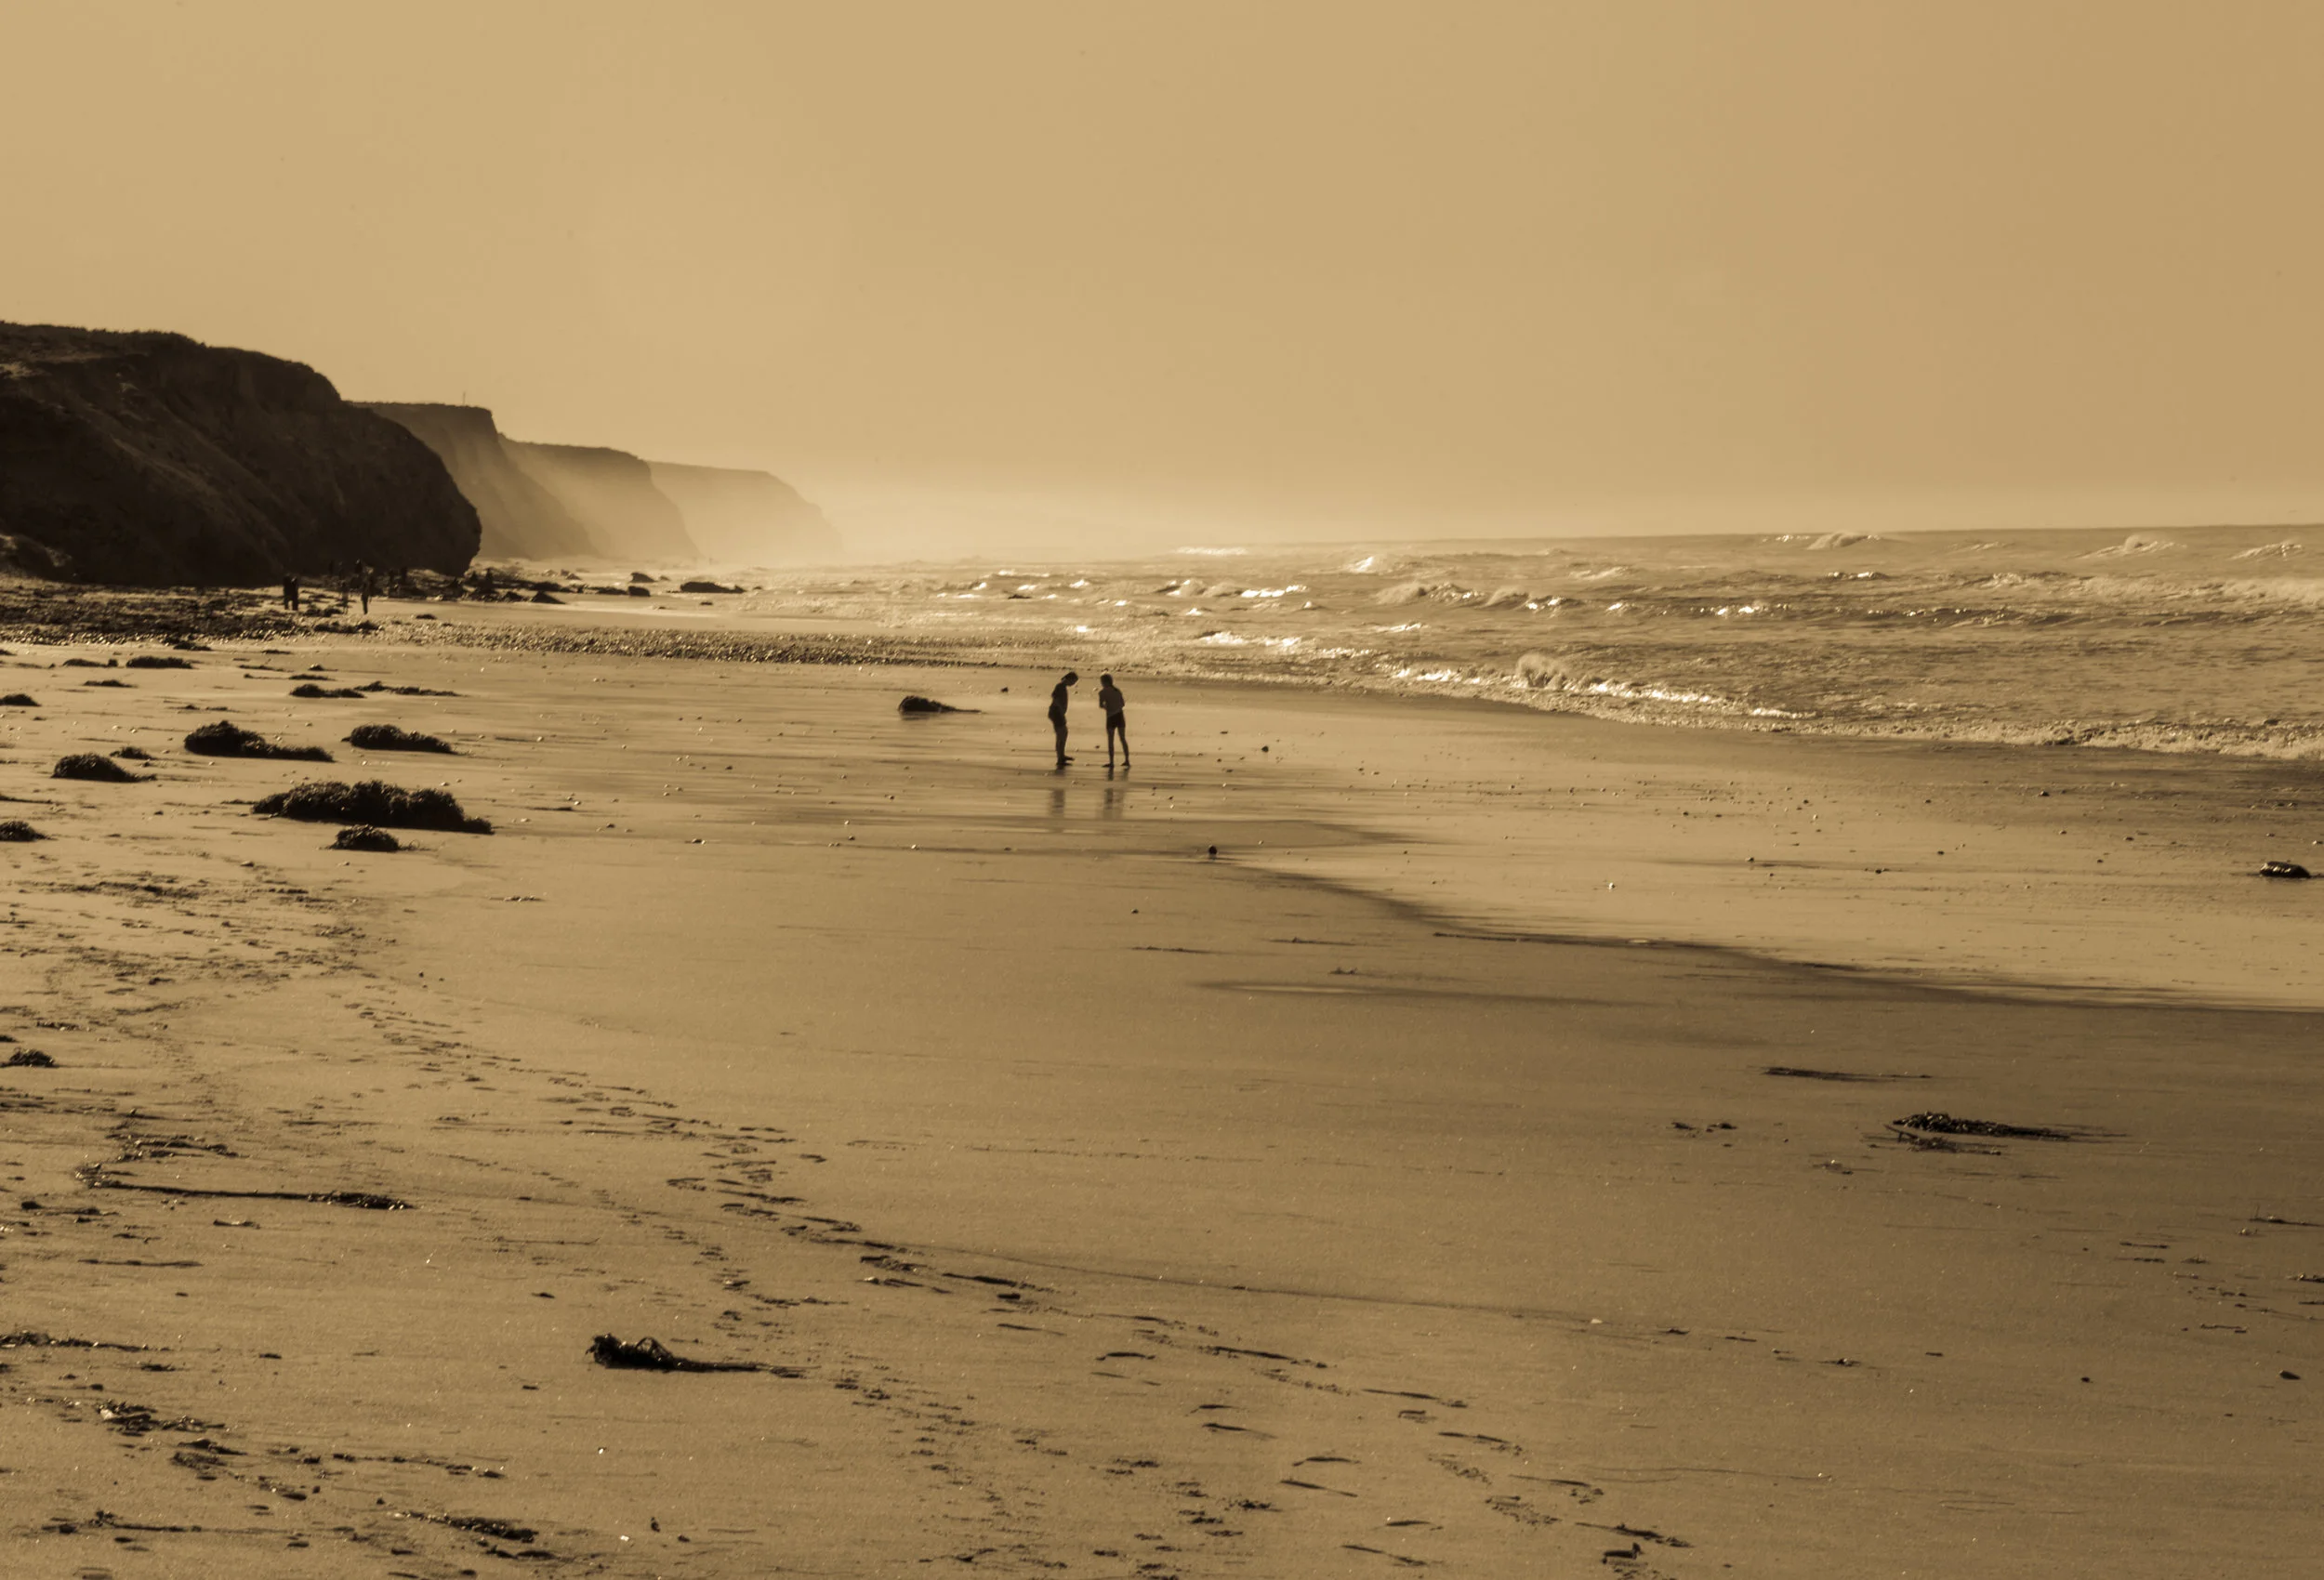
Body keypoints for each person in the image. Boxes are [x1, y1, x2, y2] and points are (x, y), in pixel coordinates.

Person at [1098, 673, 1129, 768]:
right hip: (1120, 715)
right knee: (1122, 738)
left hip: (1111, 717)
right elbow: (1123, 704)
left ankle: (1111, 762)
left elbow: (1101, 705)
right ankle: (1127, 760)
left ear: (1104, 682)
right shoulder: (1117, 690)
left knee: (1111, 740)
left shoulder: (1102, 692)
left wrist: (1108, 708)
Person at [1048, 671, 1077, 767]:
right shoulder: (1060, 686)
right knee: (1061, 734)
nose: (1073, 684)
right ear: (1068, 679)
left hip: (1057, 713)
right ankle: (1060, 758)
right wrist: (1061, 710)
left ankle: (1061, 755)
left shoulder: (1062, 687)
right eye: (1073, 682)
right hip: (1056, 713)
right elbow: (1055, 698)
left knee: (1063, 734)